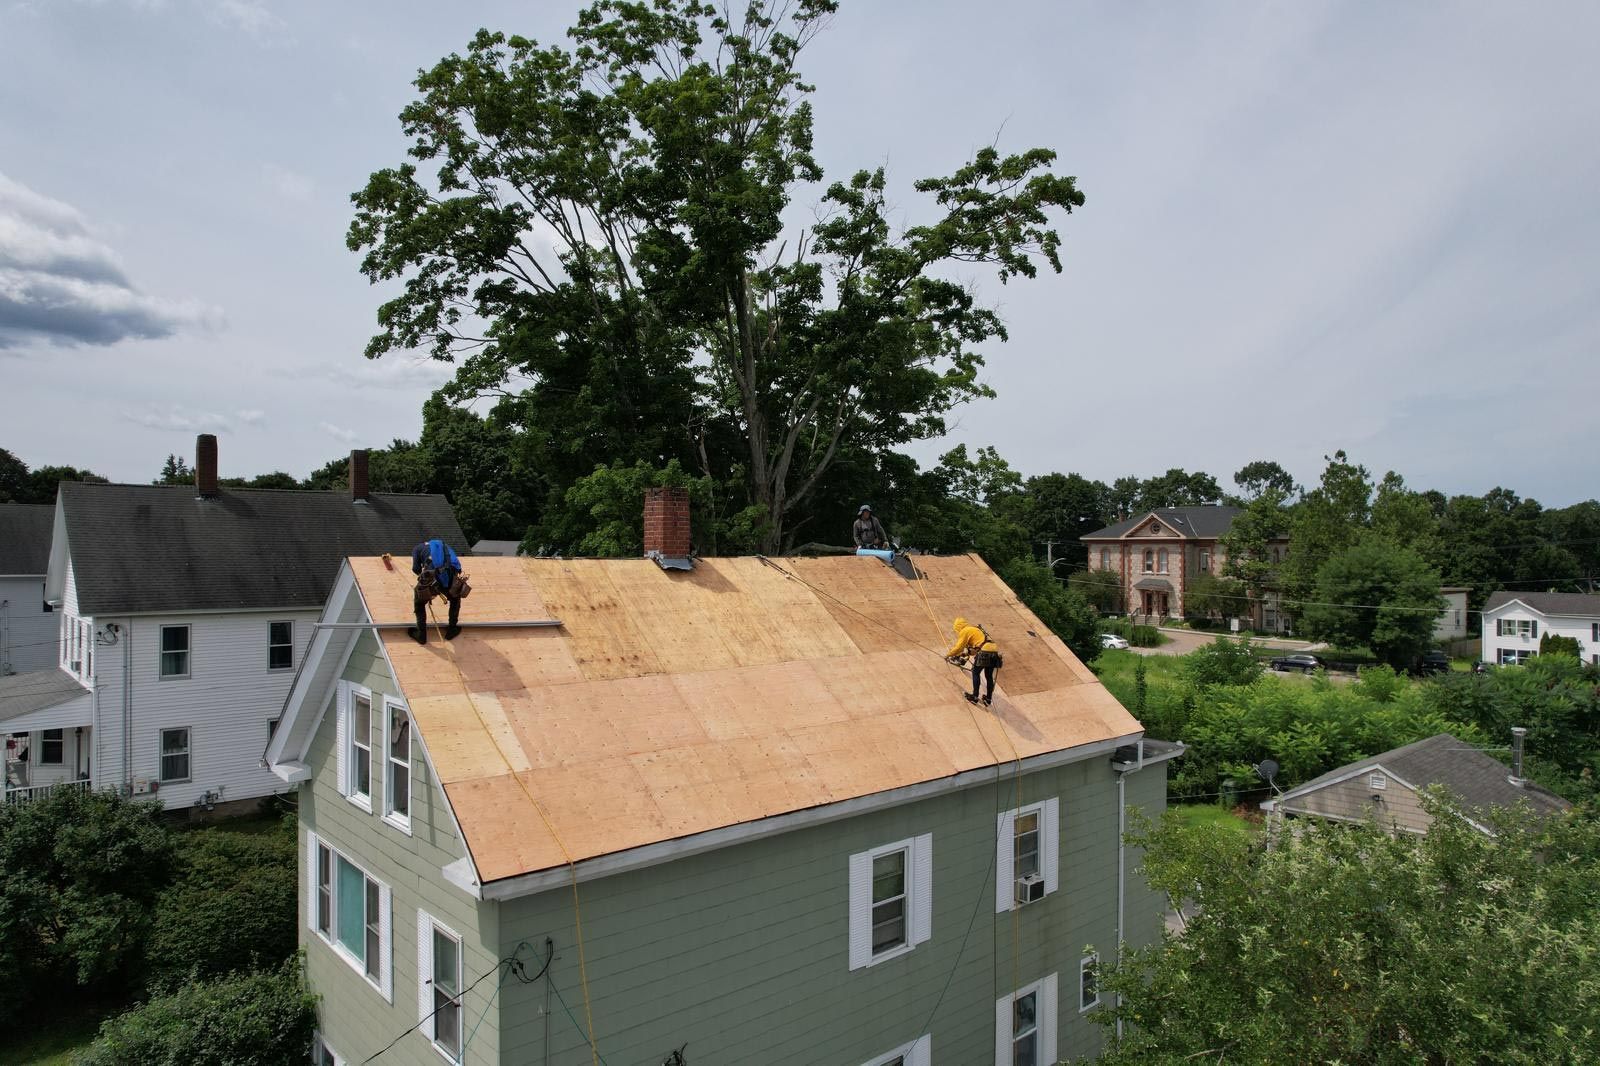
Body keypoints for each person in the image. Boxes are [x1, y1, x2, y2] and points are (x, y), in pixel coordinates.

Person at [410, 538, 466, 644]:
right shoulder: (445, 546)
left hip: (432, 578)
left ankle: (421, 635)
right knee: (455, 600)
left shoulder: (417, 548)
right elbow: (457, 567)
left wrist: (427, 585)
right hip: (450, 578)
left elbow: (415, 569)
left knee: (419, 603)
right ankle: (452, 629)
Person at [946, 616, 1003, 706]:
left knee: (975, 672)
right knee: (988, 676)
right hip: (994, 651)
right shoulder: (975, 629)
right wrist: (965, 655)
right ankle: (988, 699)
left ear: (958, 627)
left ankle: (974, 696)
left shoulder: (965, 631)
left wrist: (948, 655)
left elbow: (959, 647)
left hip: (984, 651)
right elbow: (974, 650)